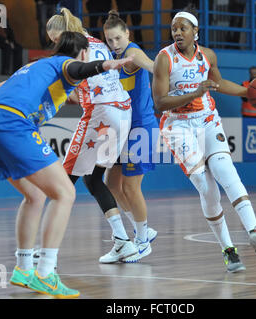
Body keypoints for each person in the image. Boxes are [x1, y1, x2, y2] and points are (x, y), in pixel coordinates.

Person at [0, 31, 134, 298]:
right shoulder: (66, 64)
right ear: (84, 53)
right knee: (65, 192)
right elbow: (77, 67)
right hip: (11, 123)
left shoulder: (34, 67)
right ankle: (46, 273)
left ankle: (23, 268)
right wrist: (104, 65)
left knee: (34, 195)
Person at [152, 9, 256, 273]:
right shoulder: (163, 59)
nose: (177, 33)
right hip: (177, 126)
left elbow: (217, 84)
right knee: (208, 189)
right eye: (174, 29)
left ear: (195, 31)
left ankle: (254, 230)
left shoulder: (208, 56)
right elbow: (159, 102)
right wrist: (194, 92)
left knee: (227, 172)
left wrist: (249, 92)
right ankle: (229, 250)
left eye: (183, 28)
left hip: (207, 120)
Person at [46, 8, 141, 263]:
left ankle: (45, 253)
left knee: (63, 183)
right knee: (93, 178)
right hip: (123, 110)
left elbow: (69, 89)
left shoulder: (72, 47)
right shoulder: (97, 41)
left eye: (55, 40)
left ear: (63, 34)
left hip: (102, 113)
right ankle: (123, 241)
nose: (57, 45)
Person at [103, 10, 159, 262]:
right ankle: (142, 228)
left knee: (130, 185)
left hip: (140, 127)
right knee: (111, 184)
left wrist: (167, 68)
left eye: (118, 38)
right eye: (109, 40)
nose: (114, 44)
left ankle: (143, 240)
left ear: (127, 34)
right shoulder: (111, 57)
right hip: (121, 129)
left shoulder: (132, 53)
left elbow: (151, 65)